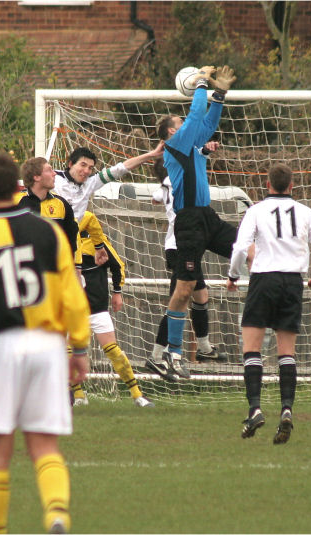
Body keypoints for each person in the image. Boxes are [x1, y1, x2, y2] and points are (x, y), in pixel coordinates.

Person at [0, 152, 91, 534]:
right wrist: (78, 347)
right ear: (17, 186)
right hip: (47, 346)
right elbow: (71, 295)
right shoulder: (46, 231)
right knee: (45, 446)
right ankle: (57, 514)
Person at [227, 163, 311, 444]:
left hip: (263, 280)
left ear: (268, 184)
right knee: (287, 352)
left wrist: (234, 275)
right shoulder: (306, 212)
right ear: (292, 185)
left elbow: (239, 248)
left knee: (252, 348)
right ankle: (286, 409)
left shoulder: (256, 211)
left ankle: (255, 409)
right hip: (292, 283)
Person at [150, 65, 238, 381]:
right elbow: (196, 111)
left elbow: (208, 119)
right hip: (187, 224)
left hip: (207, 217)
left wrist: (220, 95)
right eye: (179, 122)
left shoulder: (193, 143)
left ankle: (274, 287)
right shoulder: (177, 144)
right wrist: (201, 80)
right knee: (185, 290)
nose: (185, 122)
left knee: (250, 248)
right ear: (173, 132)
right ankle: (171, 355)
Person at [148, 146, 226, 375]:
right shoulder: (175, 180)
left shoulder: (166, 186)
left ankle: (203, 348)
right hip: (179, 246)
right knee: (179, 300)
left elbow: (155, 198)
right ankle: (157, 355)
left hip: (186, 245)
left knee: (201, 295)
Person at [70, 210, 153, 407]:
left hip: (96, 306)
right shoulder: (61, 241)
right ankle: (79, 396)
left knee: (113, 350)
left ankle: (136, 394)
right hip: (71, 308)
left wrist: (117, 292)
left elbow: (117, 265)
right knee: (68, 352)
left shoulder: (96, 242)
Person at [53, 143, 164, 223]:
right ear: (71, 164)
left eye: (90, 168)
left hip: (72, 239)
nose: (86, 171)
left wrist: (151, 154)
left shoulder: (90, 183)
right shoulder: (54, 178)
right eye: (83, 165)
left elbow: (120, 169)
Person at [18, 157, 79, 257]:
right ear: (36, 177)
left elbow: (72, 239)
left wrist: (76, 264)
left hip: (55, 270)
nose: (54, 173)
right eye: (49, 170)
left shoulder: (62, 204)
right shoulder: (16, 202)